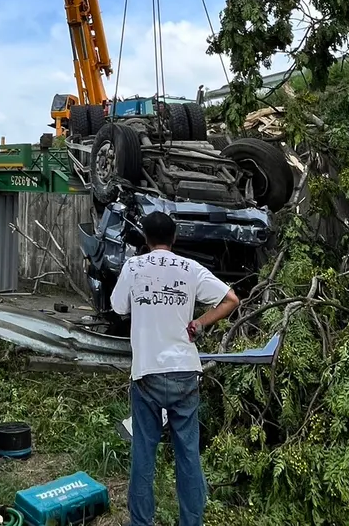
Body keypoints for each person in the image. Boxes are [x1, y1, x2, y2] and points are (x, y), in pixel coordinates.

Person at [111, 211, 239, 526]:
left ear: (145, 238)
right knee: (188, 455)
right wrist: (199, 322)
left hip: (147, 374)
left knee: (144, 452)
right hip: (185, 372)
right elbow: (231, 299)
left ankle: (141, 522)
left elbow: (117, 306)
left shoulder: (133, 266)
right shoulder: (190, 268)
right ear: (175, 238)